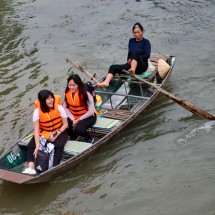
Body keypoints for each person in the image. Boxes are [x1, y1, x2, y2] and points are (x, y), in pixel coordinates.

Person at [22, 90, 68, 175]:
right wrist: (37, 145)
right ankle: (31, 167)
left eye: (52, 98)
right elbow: (36, 130)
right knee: (31, 146)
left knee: (58, 146)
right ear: (43, 101)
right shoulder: (37, 112)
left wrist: (57, 134)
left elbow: (65, 124)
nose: (51, 100)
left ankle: (55, 167)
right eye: (48, 99)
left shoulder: (59, 108)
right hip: (44, 132)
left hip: (59, 130)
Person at [97, 22, 151, 88]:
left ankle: (132, 70)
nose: (136, 34)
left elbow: (147, 55)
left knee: (135, 53)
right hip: (131, 64)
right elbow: (129, 54)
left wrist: (135, 58)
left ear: (142, 31)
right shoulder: (131, 41)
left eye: (138, 32)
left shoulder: (146, 42)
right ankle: (106, 82)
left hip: (141, 66)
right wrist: (129, 60)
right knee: (113, 67)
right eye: (135, 33)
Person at [63, 74, 97, 143]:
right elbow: (65, 107)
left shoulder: (86, 94)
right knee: (64, 126)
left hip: (89, 117)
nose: (71, 87)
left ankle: (89, 138)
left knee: (78, 129)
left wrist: (78, 120)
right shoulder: (66, 93)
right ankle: (74, 137)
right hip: (74, 117)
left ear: (78, 84)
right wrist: (73, 119)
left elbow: (91, 111)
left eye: (74, 85)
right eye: (69, 85)